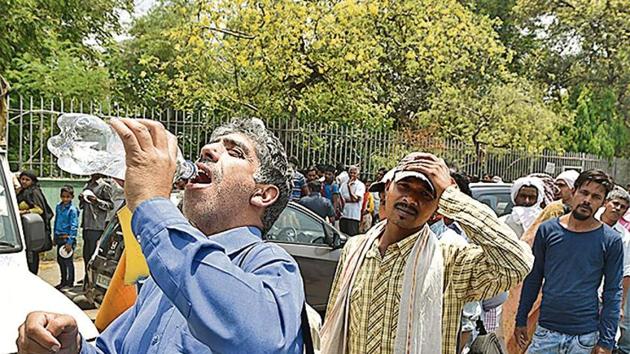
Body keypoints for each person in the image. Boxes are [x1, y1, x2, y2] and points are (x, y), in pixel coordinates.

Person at [16, 118, 307, 353]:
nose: (207, 150)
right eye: (212, 145)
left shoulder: (270, 265)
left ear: (263, 194)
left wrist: (151, 203)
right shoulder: (164, 272)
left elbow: (261, 339)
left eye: (235, 152)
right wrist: (73, 347)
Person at [321, 153, 533, 354]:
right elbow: (335, 322)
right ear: (387, 189)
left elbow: (517, 262)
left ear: (439, 208)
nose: (411, 200)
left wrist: (452, 197)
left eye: (425, 194)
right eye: (404, 187)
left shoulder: (449, 259)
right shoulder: (356, 249)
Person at [515, 169, 621, 354]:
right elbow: (533, 278)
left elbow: (612, 293)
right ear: (574, 192)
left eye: (596, 197)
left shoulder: (610, 240)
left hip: (584, 337)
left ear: (603, 203)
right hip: (545, 333)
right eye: (584, 192)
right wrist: (521, 319)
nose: (587, 200)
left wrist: (606, 342)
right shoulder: (547, 231)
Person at [502, 169, 580, 353]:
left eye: (563, 185)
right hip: (524, 287)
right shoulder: (505, 222)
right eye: (523, 196)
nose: (527, 202)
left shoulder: (563, 216)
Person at [595, 188, 630, 354]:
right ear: (605, 203)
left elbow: (626, 271)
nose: (617, 208)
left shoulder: (624, 237)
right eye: (615, 203)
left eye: (622, 207)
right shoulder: (587, 221)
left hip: (606, 294)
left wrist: (620, 305)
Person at [16, 170, 54, 274]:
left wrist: (25, 212)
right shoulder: (22, 192)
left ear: (32, 181)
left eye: (27, 180)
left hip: (32, 231)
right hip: (22, 228)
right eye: (22, 179)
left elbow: (40, 210)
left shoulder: (34, 192)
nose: (24, 182)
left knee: (32, 256)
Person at [79, 174, 115, 280]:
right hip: (86, 225)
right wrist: (82, 199)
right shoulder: (87, 185)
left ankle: (93, 279)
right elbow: (82, 206)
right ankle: (87, 277)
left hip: (97, 225)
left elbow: (110, 205)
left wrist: (96, 201)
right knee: (86, 254)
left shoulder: (104, 186)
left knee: (93, 254)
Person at [53, 185, 79, 289]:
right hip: (59, 237)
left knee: (68, 261)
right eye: (63, 196)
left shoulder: (72, 210)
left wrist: (70, 242)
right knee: (60, 261)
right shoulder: (59, 207)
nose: (65, 199)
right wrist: (54, 237)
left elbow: (74, 226)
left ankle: (70, 282)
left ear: (72, 197)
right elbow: (56, 222)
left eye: (68, 197)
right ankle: (63, 281)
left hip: (67, 238)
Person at [338, 165, 365, 236]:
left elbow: (355, 199)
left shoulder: (360, 185)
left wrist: (349, 188)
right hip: (344, 215)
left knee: (352, 236)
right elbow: (340, 198)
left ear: (357, 174)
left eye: (354, 173)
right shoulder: (343, 185)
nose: (352, 175)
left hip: (354, 216)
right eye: (351, 173)